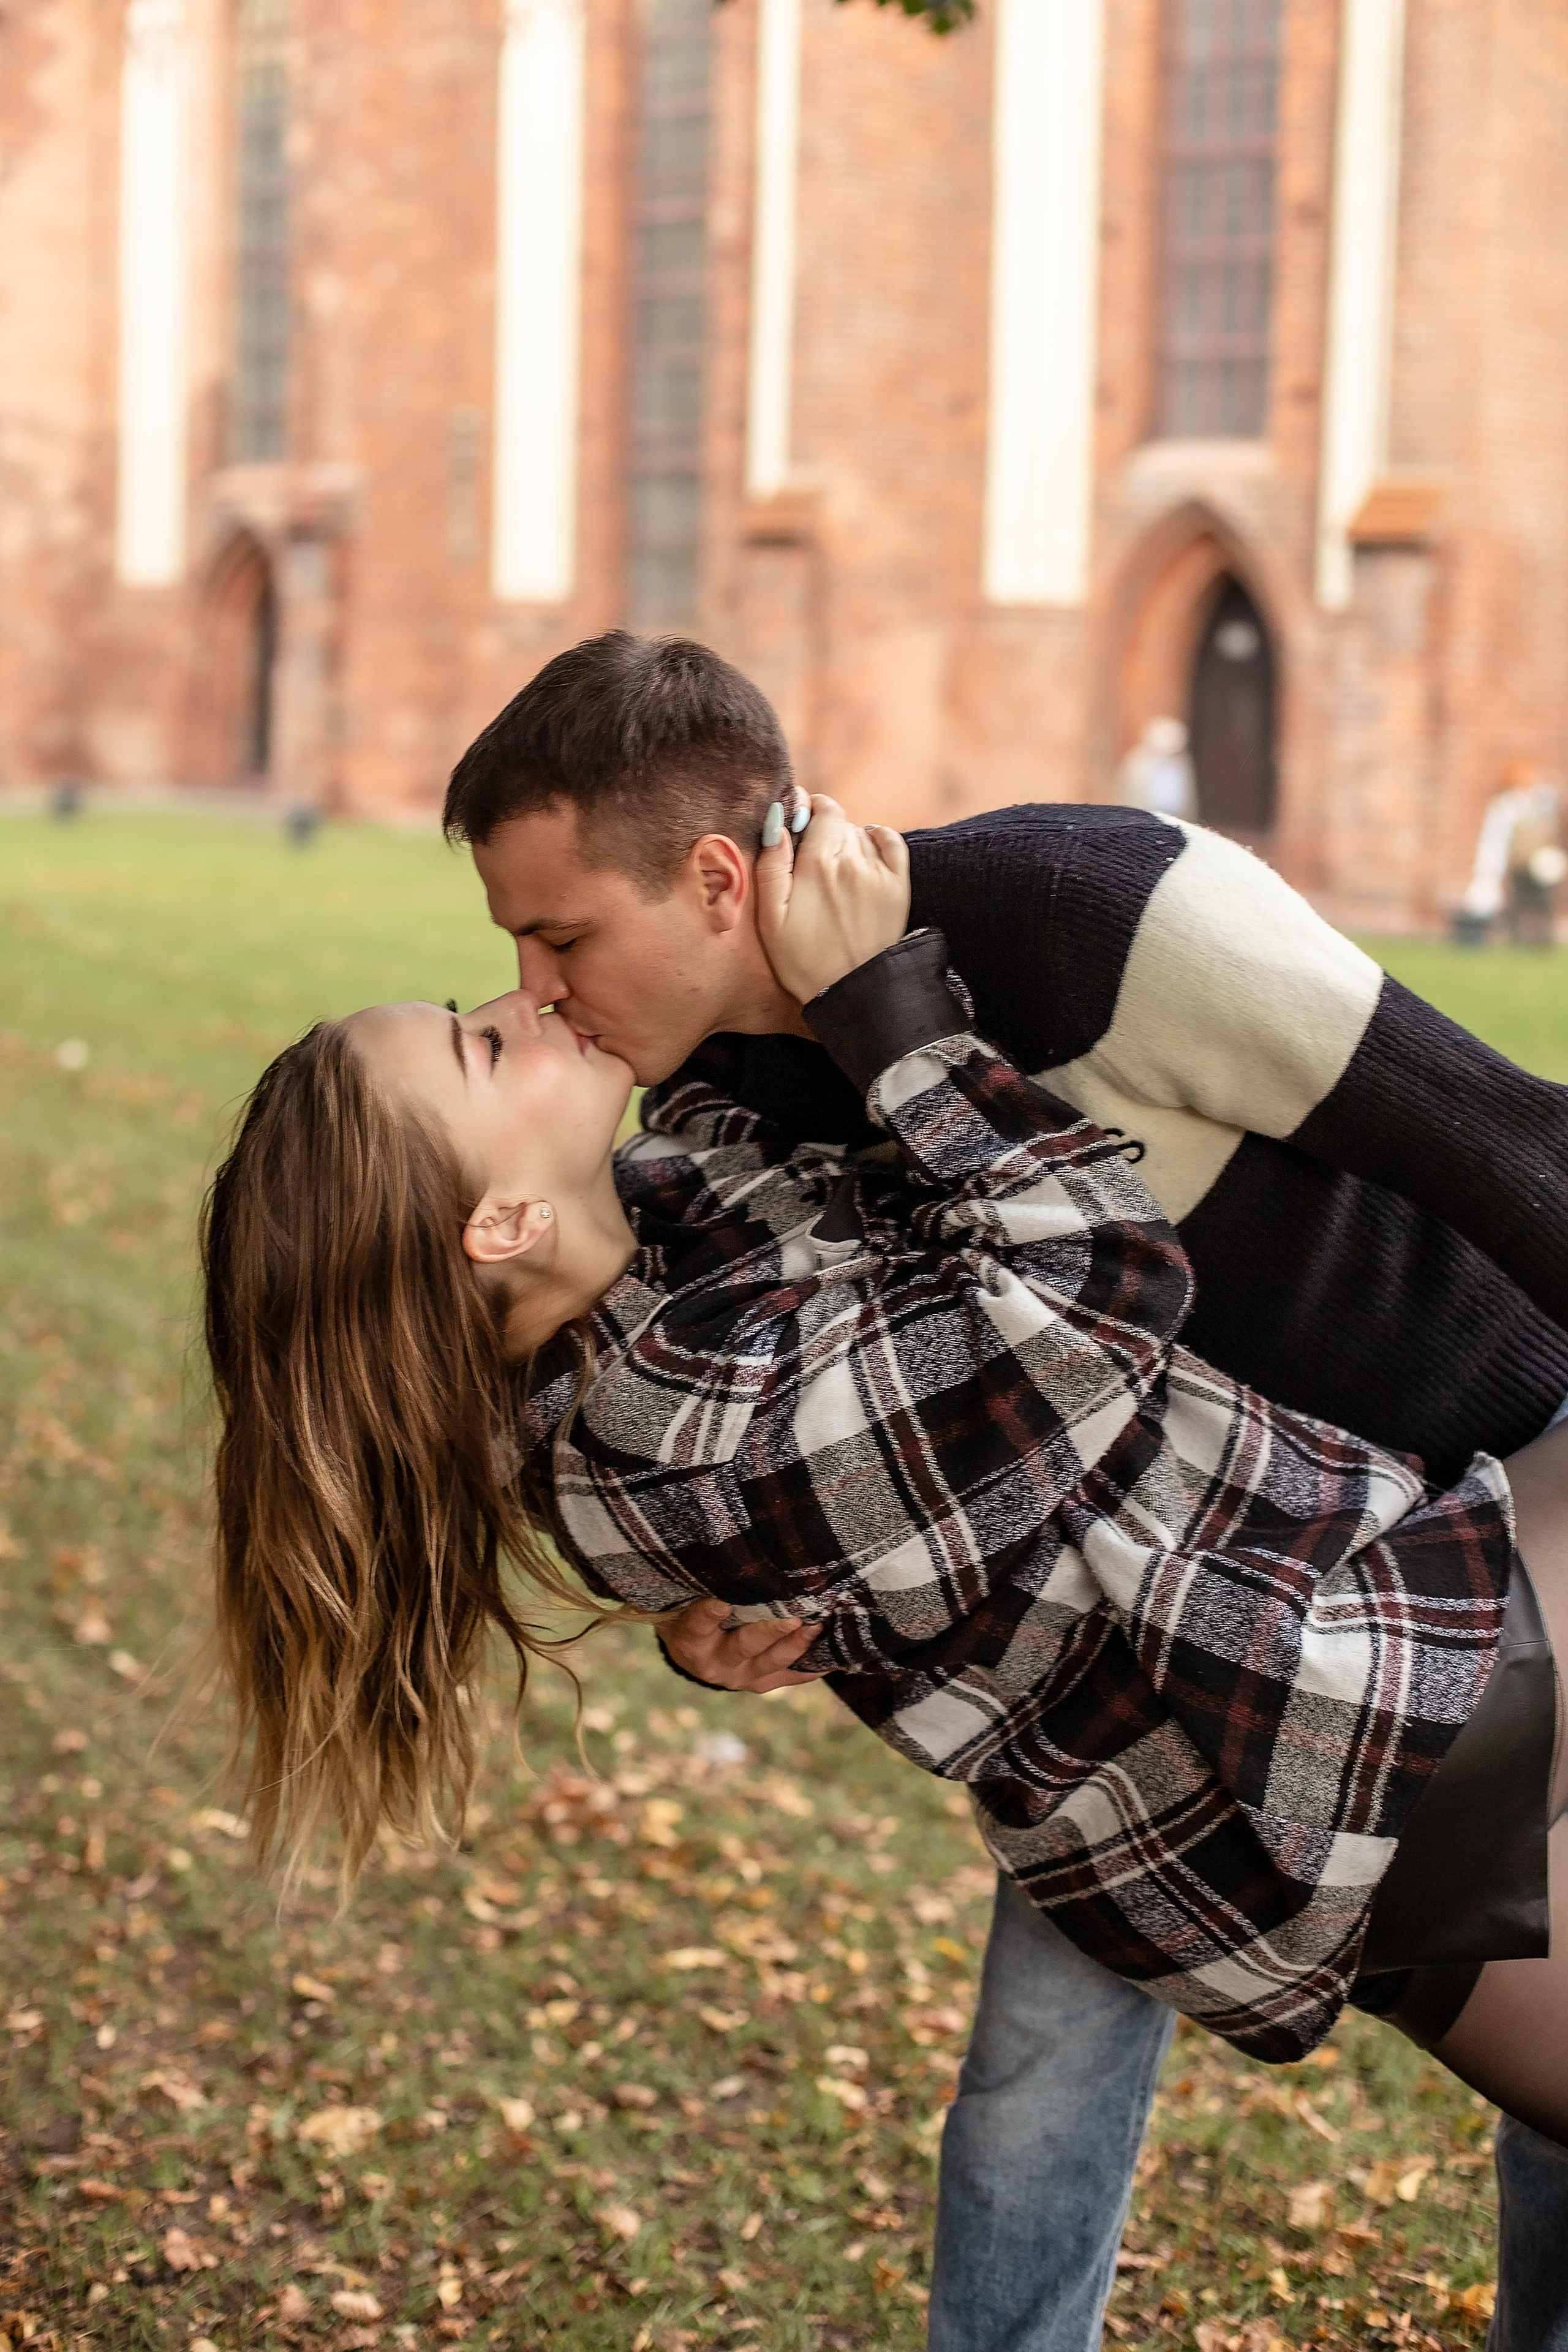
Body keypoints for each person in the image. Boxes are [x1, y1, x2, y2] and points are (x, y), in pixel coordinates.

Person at [202, 790, 1568, 2302]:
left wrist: (736, 932)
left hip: (1298, 1753)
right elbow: (1097, 1284)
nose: (527, 1000)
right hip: (1343, 1694)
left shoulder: (638, 1254)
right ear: (498, 1225)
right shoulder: (675, 1433)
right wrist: (885, 1005)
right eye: (479, 1047)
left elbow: (764, 1144)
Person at [1114, 714, 1197, 821]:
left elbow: (1189, 796)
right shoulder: (1138, 763)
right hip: (1146, 817)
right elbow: (1128, 795)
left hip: (1175, 817)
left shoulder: (1182, 763)